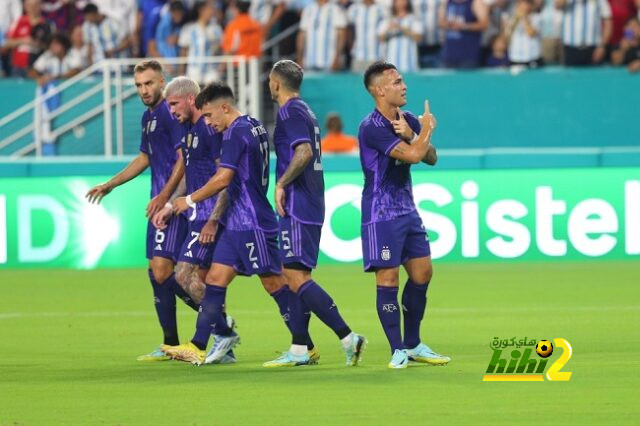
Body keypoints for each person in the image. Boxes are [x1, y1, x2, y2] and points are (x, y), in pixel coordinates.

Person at [164, 82, 315, 366]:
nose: (208, 123)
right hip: (236, 222)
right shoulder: (253, 125)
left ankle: (304, 346)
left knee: (274, 284)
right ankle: (197, 346)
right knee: (214, 280)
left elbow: (224, 179)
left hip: (251, 220)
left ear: (224, 107)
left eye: (209, 116)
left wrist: (190, 200)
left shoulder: (235, 133)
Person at [85, 60, 199, 362]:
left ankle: (218, 323)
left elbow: (182, 159)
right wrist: (111, 184)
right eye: (138, 85)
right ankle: (171, 343)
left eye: (149, 83)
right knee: (157, 272)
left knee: (164, 271)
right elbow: (144, 157)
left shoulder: (170, 113)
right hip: (159, 202)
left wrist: (166, 197)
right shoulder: (149, 117)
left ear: (162, 81)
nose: (143, 90)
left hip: (173, 203)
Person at [262, 60, 367, 367]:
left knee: (294, 276)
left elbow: (304, 151)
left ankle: (348, 337)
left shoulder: (290, 111)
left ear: (276, 82)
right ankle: (299, 348)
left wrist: (281, 183)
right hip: (308, 202)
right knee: (293, 275)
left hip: (297, 202)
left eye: (270, 81)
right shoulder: (305, 110)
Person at [358, 61, 450, 369]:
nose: (404, 86)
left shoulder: (407, 119)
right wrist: (425, 132)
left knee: (423, 273)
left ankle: (413, 343)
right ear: (380, 90)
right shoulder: (371, 127)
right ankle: (396, 349)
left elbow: (432, 157)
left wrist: (415, 132)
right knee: (389, 277)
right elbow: (414, 155)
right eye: (397, 82)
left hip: (407, 210)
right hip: (381, 213)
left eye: (403, 81)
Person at [178, 0, 223, 84]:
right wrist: (181, 73)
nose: (212, 11)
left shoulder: (216, 29)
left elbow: (222, 49)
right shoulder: (189, 28)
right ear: (201, 10)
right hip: (194, 73)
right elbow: (183, 52)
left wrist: (220, 69)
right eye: (209, 8)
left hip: (211, 73)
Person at [556, 0, 612, 65]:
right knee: (571, 74)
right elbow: (557, 5)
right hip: (571, 49)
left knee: (594, 74)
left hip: (593, 49)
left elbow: (608, 23)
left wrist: (602, 46)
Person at [297, 0, 348, 71]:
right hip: (309, 62)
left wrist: (337, 57)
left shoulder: (335, 9)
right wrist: (300, 57)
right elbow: (302, 35)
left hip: (329, 63)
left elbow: (342, 35)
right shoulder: (308, 9)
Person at [439, 0, 489, 68]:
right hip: (449, 54)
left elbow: (484, 24)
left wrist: (464, 26)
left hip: (468, 55)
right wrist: (450, 24)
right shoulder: (447, 2)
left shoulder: (476, 2)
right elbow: (440, 22)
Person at [378, 0, 424, 72]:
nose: (400, 2)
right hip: (391, 64)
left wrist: (400, 28)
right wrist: (388, 29)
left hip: (409, 64)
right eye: (398, 1)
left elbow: (419, 37)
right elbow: (380, 38)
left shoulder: (414, 19)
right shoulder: (388, 20)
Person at [347, 0, 388, 72]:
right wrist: (350, 45)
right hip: (358, 55)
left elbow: (384, 32)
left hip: (376, 56)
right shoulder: (354, 9)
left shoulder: (381, 9)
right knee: (356, 82)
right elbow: (348, 28)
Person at [504, 0, 543, 67]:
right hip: (515, 57)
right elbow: (506, 35)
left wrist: (524, 18)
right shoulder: (512, 18)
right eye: (520, 4)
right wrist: (514, 20)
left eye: (525, 4)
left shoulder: (537, 18)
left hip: (532, 57)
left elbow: (531, 33)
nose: (522, 6)